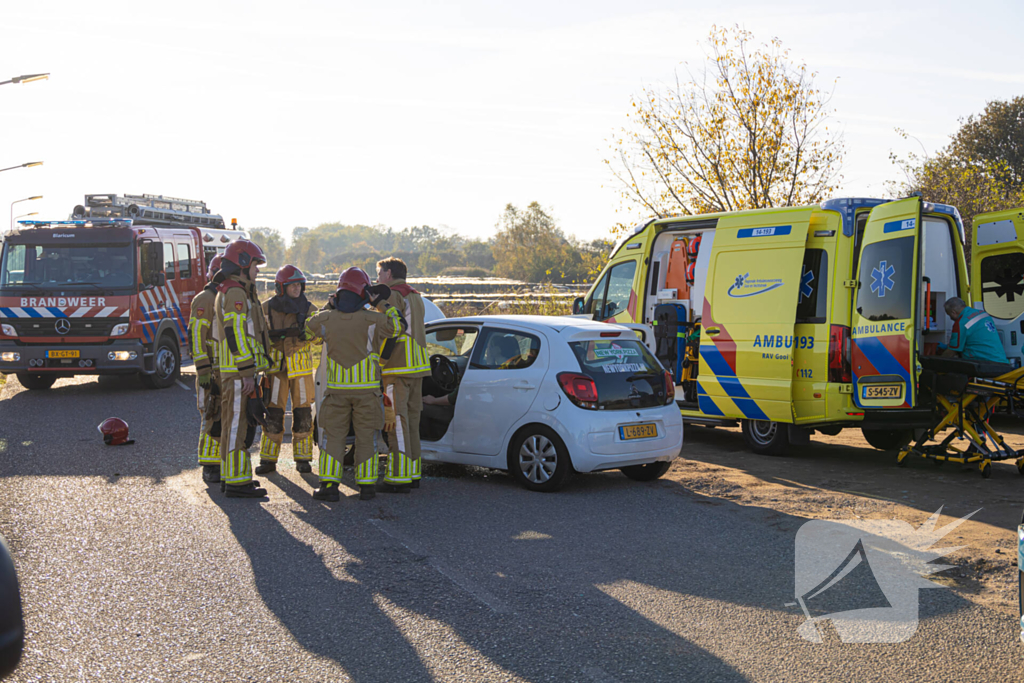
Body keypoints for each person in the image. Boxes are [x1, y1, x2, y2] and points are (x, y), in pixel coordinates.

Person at [303, 267, 403, 502]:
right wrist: (379, 303)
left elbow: (307, 331)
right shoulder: (374, 319)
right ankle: (366, 487)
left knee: (333, 437)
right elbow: (399, 326)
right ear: (363, 293)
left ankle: (329, 486)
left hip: (337, 392)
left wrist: (328, 306)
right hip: (367, 393)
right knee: (366, 438)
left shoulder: (326, 319)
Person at [212, 240, 272, 498]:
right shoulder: (236, 293)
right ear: (243, 264)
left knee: (231, 426)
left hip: (235, 371)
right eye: (256, 265)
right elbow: (235, 333)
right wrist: (247, 371)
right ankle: (237, 483)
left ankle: (231, 476)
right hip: (238, 373)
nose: (257, 271)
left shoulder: (232, 290)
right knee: (237, 427)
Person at [375, 258, 431, 492]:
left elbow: (390, 329)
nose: (377, 278)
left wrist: (379, 362)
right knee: (412, 423)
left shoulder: (391, 294)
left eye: (379, 274)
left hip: (397, 368)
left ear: (388, 274)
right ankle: (413, 473)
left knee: (397, 422)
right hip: (418, 368)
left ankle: (398, 477)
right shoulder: (416, 296)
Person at [256, 265, 316, 475]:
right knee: (272, 414)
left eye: (299, 285)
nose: (297, 288)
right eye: (292, 285)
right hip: (275, 371)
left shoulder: (309, 309)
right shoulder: (266, 308)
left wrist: (308, 335)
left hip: (301, 371)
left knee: (303, 414)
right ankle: (268, 459)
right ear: (281, 287)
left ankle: (303, 459)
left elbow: (319, 337)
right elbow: (258, 336)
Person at [188, 254, 223, 483]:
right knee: (211, 416)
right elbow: (197, 335)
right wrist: (203, 369)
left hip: (227, 371)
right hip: (211, 371)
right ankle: (210, 465)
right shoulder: (205, 299)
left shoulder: (228, 297)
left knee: (225, 419)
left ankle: (222, 462)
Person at [938, 297, 1010, 365]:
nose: (951, 318)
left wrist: (938, 364)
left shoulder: (960, 323)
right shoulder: (983, 314)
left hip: (985, 365)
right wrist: (947, 346)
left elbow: (952, 352)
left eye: (949, 315)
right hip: (1002, 361)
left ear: (953, 312)